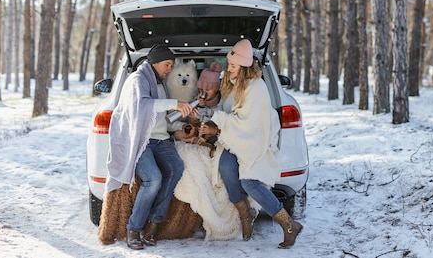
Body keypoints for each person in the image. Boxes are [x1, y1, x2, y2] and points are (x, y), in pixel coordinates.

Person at [210, 39, 303, 249]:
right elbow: (230, 112)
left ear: (244, 66)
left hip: (256, 142)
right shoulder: (233, 84)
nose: (229, 69)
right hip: (237, 139)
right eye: (229, 65)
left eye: (233, 66)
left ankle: (288, 224)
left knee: (249, 182)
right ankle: (246, 213)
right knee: (225, 165)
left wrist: (217, 119)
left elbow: (249, 125)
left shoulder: (256, 87)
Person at [105, 44, 197, 250]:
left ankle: (154, 223)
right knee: (153, 178)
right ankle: (134, 228)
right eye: (167, 64)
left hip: (161, 139)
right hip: (142, 141)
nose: (169, 70)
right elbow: (142, 106)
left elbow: (163, 118)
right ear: (155, 62)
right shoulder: (137, 80)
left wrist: (183, 125)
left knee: (176, 168)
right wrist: (175, 103)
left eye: (171, 65)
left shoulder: (161, 85)